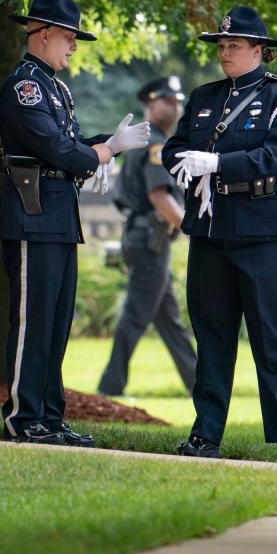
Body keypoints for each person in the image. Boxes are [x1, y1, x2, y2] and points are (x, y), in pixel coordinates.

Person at [0, 0, 150, 446]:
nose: (74, 46)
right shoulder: (25, 85)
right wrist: (105, 152)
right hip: (31, 209)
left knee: (56, 322)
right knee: (32, 321)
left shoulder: (55, 87)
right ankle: (24, 417)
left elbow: (73, 141)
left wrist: (108, 141)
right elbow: (58, 149)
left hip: (57, 211)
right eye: (68, 37)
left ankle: (50, 415)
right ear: (43, 35)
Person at [162, 6, 277, 465]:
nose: (224, 52)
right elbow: (173, 149)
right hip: (212, 224)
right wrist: (189, 168)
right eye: (221, 45)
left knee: (271, 336)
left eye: (234, 45)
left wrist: (218, 164)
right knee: (212, 336)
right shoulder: (204, 95)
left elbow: (275, 154)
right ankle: (205, 434)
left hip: (265, 224)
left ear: (260, 51)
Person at [97, 76, 197, 397]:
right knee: (136, 316)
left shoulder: (143, 141)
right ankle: (110, 387)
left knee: (168, 320)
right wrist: (190, 228)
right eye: (169, 101)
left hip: (143, 238)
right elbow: (160, 197)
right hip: (149, 240)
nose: (176, 107)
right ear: (151, 104)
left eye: (178, 101)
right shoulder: (155, 143)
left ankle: (200, 384)